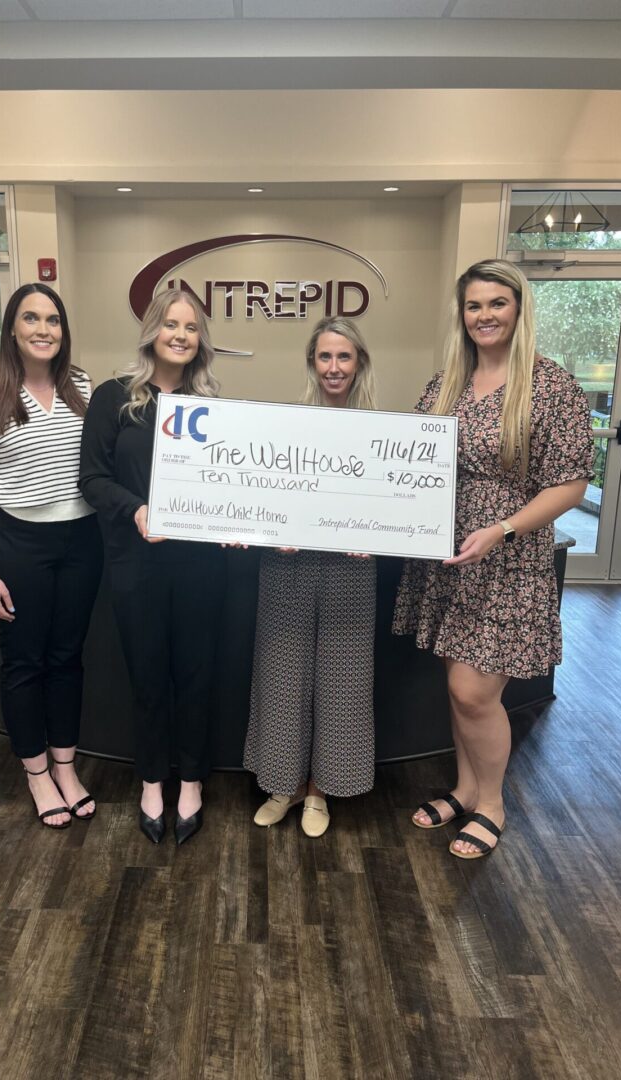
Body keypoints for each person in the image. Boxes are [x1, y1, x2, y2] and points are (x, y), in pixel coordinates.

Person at [393, 259, 594, 858]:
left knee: (474, 692)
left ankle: (492, 804)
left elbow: (571, 484)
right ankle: (463, 788)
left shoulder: (551, 386)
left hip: (507, 559)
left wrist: (502, 529)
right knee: (457, 689)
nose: (484, 315)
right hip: (449, 556)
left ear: (518, 308)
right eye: (474, 305)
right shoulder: (447, 382)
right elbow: (410, 458)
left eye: (496, 303)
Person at [79, 288, 224, 845]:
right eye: (171, 324)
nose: (181, 335)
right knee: (147, 678)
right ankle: (150, 780)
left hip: (201, 566)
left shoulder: (213, 407)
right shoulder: (114, 397)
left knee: (195, 675)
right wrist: (136, 509)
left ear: (201, 339)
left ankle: (190, 781)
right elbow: (91, 479)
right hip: (136, 562)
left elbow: (233, 484)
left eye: (191, 326)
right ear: (151, 331)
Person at [0, 283, 102, 829]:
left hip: (82, 540)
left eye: (53, 320)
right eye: (31, 319)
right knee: (24, 663)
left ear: (63, 331)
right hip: (18, 543)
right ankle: (36, 773)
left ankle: (66, 766)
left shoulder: (82, 386)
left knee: (67, 658)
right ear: (12, 329)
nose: (44, 329)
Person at [244, 317, 378, 838]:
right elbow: (259, 495)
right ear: (312, 363)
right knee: (282, 673)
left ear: (359, 362)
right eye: (325, 357)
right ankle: (285, 784)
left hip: (352, 567)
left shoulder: (382, 431)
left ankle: (321, 789)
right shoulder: (286, 426)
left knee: (342, 677)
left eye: (344, 357)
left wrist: (382, 535)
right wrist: (264, 526)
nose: (334, 367)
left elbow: (397, 506)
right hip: (288, 562)